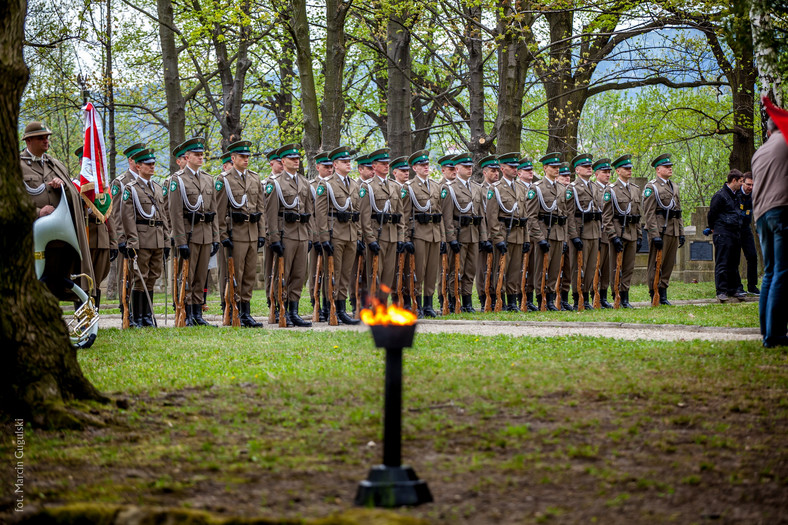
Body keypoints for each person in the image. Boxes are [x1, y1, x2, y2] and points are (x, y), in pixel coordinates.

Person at [21, 121, 95, 301]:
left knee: (55, 283)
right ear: (28, 141)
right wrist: (37, 212)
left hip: (57, 239)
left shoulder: (55, 164)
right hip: (30, 238)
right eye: (41, 138)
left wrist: (63, 186)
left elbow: (73, 196)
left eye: (47, 137)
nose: (46, 141)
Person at [169, 137, 220, 326]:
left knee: (201, 275)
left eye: (201, 155)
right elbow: (175, 213)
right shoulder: (178, 181)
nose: (200, 158)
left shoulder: (208, 179)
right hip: (190, 235)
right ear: (187, 157)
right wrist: (180, 241)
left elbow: (213, 210)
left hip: (206, 234)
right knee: (187, 276)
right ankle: (187, 312)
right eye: (196, 155)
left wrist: (215, 237)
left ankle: (198, 314)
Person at [215, 140, 266, 327]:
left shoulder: (254, 178)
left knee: (249, 274)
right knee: (235, 273)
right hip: (235, 233)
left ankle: (246, 311)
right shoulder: (224, 180)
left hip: (252, 232)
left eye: (247, 156)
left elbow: (261, 208)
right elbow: (219, 212)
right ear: (233, 158)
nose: (245, 159)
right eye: (242, 157)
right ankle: (232, 309)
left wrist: (261, 233)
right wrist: (223, 235)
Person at [264, 143, 314, 327]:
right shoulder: (275, 183)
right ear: (283, 161)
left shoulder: (304, 182)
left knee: (300, 274)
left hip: (301, 234)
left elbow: (310, 212)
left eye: (297, 158)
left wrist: (310, 236)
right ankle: (280, 308)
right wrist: (274, 238)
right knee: (282, 274)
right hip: (286, 233)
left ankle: (294, 311)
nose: (296, 161)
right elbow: (270, 214)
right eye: (292, 159)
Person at [121, 148, 170, 327]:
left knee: (152, 277)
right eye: (148, 164)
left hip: (157, 237)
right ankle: (138, 317)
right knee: (140, 278)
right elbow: (128, 218)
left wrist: (166, 240)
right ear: (138, 166)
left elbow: (163, 216)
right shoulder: (131, 189)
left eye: (153, 164)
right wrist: (132, 241)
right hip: (141, 238)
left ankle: (147, 316)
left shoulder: (157, 188)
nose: (152, 167)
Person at [314, 146, 362, 325]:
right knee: (333, 273)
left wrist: (358, 235)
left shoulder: (355, 185)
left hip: (350, 235)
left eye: (349, 161)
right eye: (344, 162)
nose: (348, 164)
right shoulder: (326, 185)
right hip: (336, 234)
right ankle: (332, 308)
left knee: (346, 274)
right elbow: (320, 213)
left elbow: (357, 212)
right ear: (335, 164)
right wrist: (324, 238)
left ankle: (342, 310)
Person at [752, 116, 788, 348]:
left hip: (762, 215)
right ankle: (774, 334)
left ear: (767, 131)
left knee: (770, 273)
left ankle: (767, 331)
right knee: (783, 271)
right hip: (781, 210)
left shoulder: (759, 152)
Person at [442, 152, 488, 312]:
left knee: (470, 270)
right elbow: (447, 216)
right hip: (459, 233)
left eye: (470, 167)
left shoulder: (476, 188)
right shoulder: (449, 188)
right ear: (457, 168)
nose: (469, 170)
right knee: (456, 269)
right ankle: (454, 300)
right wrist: (450, 238)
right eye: (466, 167)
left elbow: (480, 214)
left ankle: (467, 301)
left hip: (474, 234)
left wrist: (484, 237)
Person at [526, 152, 568, 311]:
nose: (557, 169)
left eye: (558, 167)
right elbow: (531, 216)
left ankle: (550, 299)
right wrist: (539, 238)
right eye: (553, 167)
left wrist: (564, 238)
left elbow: (564, 215)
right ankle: (540, 298)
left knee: (555, 268)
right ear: (545, 168)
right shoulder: (536, 188)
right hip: (544, 233)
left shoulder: (562, 188)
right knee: (540, 269)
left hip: (557, 233)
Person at [488, 152, 529, 311]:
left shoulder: (520, 187)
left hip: (518, 234)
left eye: (515, 167)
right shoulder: (496, 188)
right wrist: (498, 239)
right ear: (502, 168)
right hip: (504, 234)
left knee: (514, 270)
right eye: (511, 167)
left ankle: (512, 301)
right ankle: (499, 299)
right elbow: (492, 217)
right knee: (501, 270)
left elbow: (524, 215)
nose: (514, 169)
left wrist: (526, 238)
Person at [643, 153, 684, 305]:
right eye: (667, 167)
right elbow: (649, 213)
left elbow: (678, 211)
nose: (670, 169)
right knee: (655, 264)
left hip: (673, 229)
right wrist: (654, 235)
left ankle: (663, 292)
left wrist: (681, 232)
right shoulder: (651, 187)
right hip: (660, 230)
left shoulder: (674, 186)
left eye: (670, 166)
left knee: (667, 264)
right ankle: (654, 292)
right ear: (658, 169)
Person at [406, 150, 443, 317]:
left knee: (431, 271)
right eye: (422, 165)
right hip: (419, 233)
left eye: (427, 164)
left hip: (435, 233)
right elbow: (406, 215)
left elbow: (440, 213)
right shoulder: (409, 187)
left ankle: (428, 304)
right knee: (418, 271)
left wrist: (442, 236)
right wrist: (406, 238)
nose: (426, 167)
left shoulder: (436, 186)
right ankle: (417, 304)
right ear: (415, 168)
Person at [602, 154, 642, 309]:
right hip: (618, 233)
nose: (629, 171)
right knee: (615, 267)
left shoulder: (635, 189)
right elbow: (607, 217)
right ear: (618, 171)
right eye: (626, 168)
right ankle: (616, 294)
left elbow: (637, 215)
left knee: (629, 267)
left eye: (630, 168)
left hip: (631, 232)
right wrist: (613, 236)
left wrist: (639, 236)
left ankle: (625, 296)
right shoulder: (611, 190)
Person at [706, 170, 746, 302]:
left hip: (735, 233)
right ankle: (721, 290)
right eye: (740, 181)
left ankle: (734, 289)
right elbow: (712, 214)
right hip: (722, 232)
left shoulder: (738, 196)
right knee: (722, 262)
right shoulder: (720, 196)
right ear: (733, 180)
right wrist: (714, 228)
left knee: (734, 262)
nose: (742, 184)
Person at [517, 158, 538, 311]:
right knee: (520, 269)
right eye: (527, 170)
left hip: (533, 235)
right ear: (519, 173)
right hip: (521, 233)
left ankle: (529, 299)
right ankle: (519, 298)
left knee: (531, 268)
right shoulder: (516, 188)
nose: (531, 172)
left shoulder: (535, 188)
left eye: (531, 170)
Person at [739, 172, 759, 295]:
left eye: (752, 185)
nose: (750, 187)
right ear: (742, 182)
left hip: (746, 229)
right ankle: (737, 286)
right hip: (735, 229)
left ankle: (752, 286)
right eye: (748, 184)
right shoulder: (736, 194)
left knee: (752, 256)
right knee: (734, 258)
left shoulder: (755, 195)